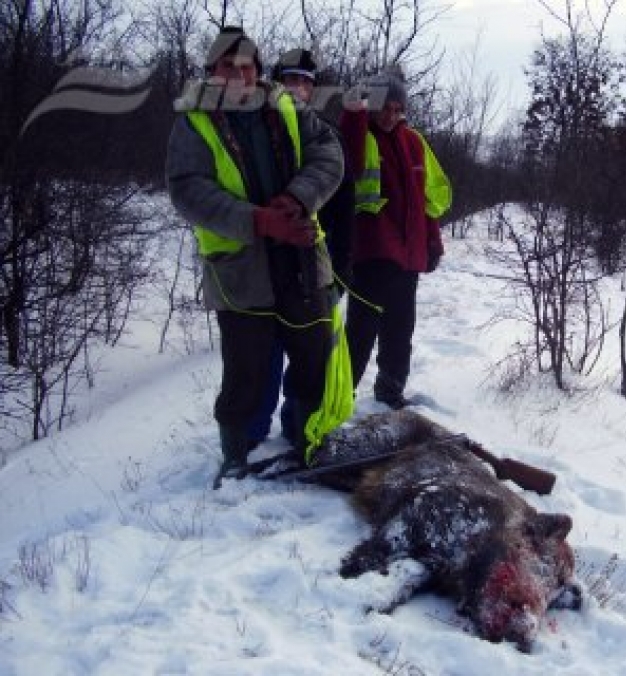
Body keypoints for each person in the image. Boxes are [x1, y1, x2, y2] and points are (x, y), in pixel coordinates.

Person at [166, 27, 352, 483]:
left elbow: (330, 154)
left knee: (313, 358)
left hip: (301, 261)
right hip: (241, 272)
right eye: (228, 66)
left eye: (246, 65)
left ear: (258, 69)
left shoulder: (287, 107)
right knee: (245, 369)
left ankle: (307, 439)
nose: (238, 74)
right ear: (211, 71)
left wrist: (297, 198)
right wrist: (257, 221)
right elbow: (188, 190)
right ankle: (236, 453)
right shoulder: (194, 121)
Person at [245, 47, 355, 448]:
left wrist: (341, 269)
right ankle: (253, 434)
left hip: (313, 267)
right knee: (262, 354)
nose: (298, 88)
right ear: (275, 83)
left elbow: (345, 213)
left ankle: (300, 429)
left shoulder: (327, 136)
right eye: (290, 79)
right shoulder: (250, 130)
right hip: (262, 264)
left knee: (311, 357)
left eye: (306, 82)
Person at [340, 70, 452, 409]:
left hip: (407, 257)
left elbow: (428, 200)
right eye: (384, 108)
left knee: (400, 333)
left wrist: (432, 242)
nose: (390, 115)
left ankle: (390, 392)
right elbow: (352, 161)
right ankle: (340, 399)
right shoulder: (359, 134)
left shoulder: (414, 142)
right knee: (360, 333)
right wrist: (356, 108)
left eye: (397, 109)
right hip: (371, 255)